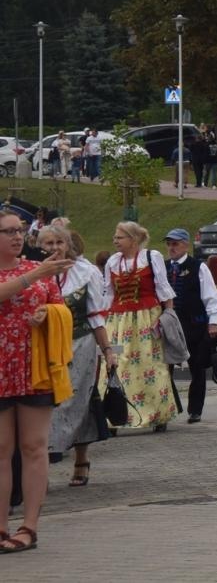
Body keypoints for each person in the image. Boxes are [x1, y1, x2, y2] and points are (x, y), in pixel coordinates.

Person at [0, 212, 69, 555]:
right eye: (8, 231)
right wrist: (34, 275)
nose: (17, 237)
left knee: (33, 447)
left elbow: (61, 308)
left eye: (20, 231)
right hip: (0, 367)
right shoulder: (37, 271)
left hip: (34, 367)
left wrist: (49, 315)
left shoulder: (39, 270)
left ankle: (29, 527)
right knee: (0, 450)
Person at [39, 224, 110, 487]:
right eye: (49, 243)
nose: (54, 248)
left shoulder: (86, 272)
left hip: (80, 343)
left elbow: (96, 316)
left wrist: (108, 350)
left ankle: (81, 458)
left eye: (59, 242)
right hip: (44, 346)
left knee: (78, 399)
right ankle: (40, 467)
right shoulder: (35, 273)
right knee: (44, 404)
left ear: (69, 245)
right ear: (40, 246)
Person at [100, 221, 178, 431]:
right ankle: (115, 415)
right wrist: (103, 321)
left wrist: (168, 315)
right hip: (118, 320)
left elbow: (163, 288)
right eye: (115, 237)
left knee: (151, 365)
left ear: (133, 240)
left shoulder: (152, 257)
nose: (115, 241)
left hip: (146, 318)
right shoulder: (112, 262)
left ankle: (157, 415)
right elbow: (108, 293)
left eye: (119, 237)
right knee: (116, 365)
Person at [162, 228, 217, 424]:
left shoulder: (198, 267)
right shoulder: (162, 267)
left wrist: (213, 322)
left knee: (197, 367)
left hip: (194, 323)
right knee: (165, 367)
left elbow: (211, 296)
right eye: (169, 244)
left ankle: (195, 409)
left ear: (185, 245)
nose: (172, 248)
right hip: (170, 324)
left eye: (175, 244)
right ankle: (169, 406)